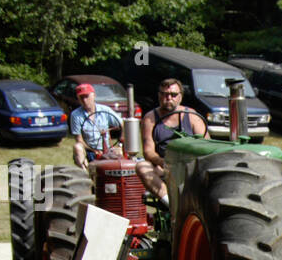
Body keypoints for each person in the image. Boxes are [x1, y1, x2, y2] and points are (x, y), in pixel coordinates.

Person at [137, 78, 208, 207]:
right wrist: (164, 162)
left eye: (173, 95)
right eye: (164, 94)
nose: (168, 98)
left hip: (191, 166)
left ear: (180, 96)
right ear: (159, 96)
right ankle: (172, 205)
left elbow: (207, 144)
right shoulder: (150, 118)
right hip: (165, 167)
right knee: (142, 167)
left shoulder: (192, 116)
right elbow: (148, 151)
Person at [70, 83, 124, 168]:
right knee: (77, 147)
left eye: (86, 96)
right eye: (81, 97)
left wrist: (120, 141)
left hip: (108, 149)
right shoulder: (76, 115)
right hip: (89, 150)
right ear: (78, 99)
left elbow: (122, 124)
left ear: (94, 95)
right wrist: (93, 150)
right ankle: (85, 175)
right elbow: (79, 140)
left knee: (121, 152)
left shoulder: (105, 110)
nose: (84, 100)